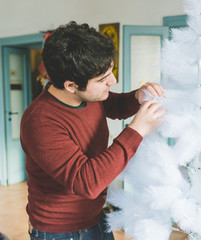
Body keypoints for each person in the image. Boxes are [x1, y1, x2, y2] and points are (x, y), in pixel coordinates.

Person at [20, 21, 166, 240]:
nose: (113, 81)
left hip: (95, 216)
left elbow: (113, 104)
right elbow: (86, 182)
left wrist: (138, 96)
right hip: (61, 231)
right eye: (102, 79)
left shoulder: (89, 95)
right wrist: (137, 131)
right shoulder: (40, 121)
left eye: (110, 72)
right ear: (71, 85)